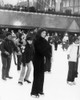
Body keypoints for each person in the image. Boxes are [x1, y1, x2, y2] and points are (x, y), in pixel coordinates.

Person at [31, 29, 52, 97]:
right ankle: (34, 92)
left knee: (41, 75)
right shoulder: (36, 40)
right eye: (43, 33)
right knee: (37, 76)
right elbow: (41, 49)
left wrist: (49, 54)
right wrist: (48, 54)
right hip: (36, 59)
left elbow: (49, 47)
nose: (44, 34)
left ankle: (40, 90)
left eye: (45, 33)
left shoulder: (44, 40)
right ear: (39, 33)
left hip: (42, 59)